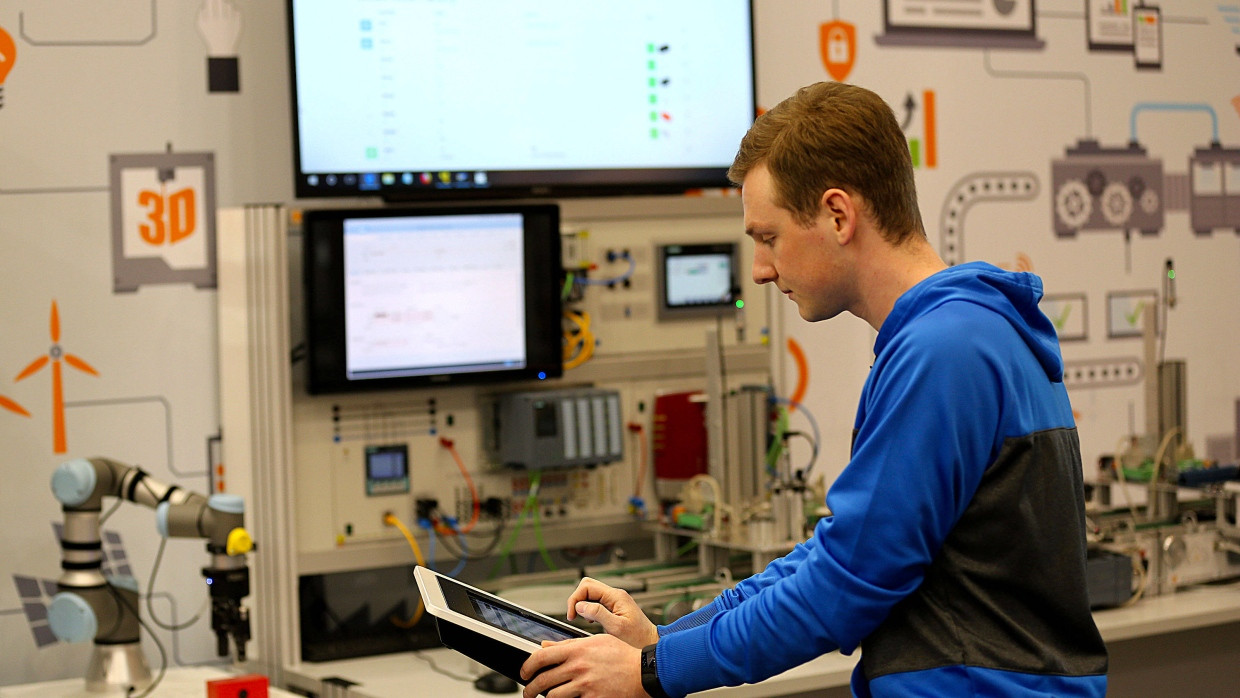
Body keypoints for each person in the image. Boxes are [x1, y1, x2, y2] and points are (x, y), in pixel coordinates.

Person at [519, 81, 1108, 697]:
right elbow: (839, 554)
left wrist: (654, 675)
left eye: (769, 238)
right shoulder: (972, 330)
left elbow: (845, 585)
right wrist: (666, 644)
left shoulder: (944, 351)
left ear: (837, 214)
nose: (760, 270)